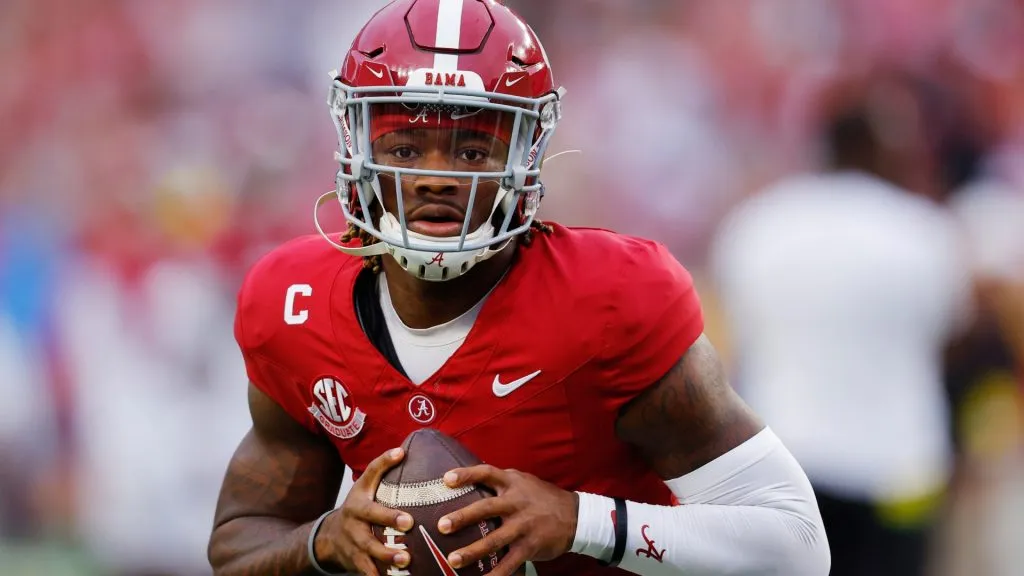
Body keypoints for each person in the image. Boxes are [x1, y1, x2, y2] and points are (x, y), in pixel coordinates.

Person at [208, 1, 829, 575]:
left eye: (474, 151)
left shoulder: (610, 299)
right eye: (405, 146)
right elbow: (239, 543)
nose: (436, 177)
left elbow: (798, 546)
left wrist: (583, 521)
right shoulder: (293, 303)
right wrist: (325, 540)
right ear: (355, 145)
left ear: (528, 153)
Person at [710, 100, 973, 576]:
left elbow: (732, 339)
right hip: (899, 468)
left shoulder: (760, 224)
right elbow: (951, 337)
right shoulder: (924, 233)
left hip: (786, 460)